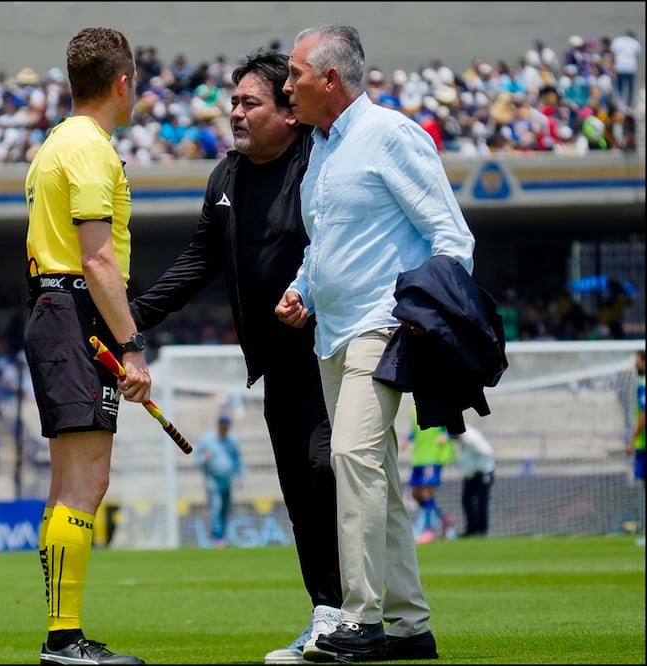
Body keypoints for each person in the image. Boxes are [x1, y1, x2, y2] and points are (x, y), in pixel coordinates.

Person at [127, 47, 342, 664]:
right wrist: (134, 314)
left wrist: (311, 291)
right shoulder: (226, 177)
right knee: (302, 494)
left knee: (331, 472)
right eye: (234, 103)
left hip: (334, 355)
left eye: (250, 103)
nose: (236, 114)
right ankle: (328, 614)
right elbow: (201, 259)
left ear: (289, 113)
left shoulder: (323, 165)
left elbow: (342, 246)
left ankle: (371, 612)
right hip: (278, 366)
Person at [277, 24, 476, 662]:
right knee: (376, 474)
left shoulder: (390, 134)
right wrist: (301, 288)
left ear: (330, 79)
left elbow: (452, 238)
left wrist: (417, 318)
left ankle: (358, 620)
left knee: (352, 461)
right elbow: (323, 245)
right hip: (331, 333)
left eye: (295, 74)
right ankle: (411, 627)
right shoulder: (319, 150)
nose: (287, 87)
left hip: (381, 327)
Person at [23, 26, 150, 666]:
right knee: (86, 481)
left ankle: (61, 631)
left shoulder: (55, 142)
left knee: (66, 483)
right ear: (122, 82)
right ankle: (64, 639)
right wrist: (132, 346)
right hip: (76, 309)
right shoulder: (91, 148)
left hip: (53, 307)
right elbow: (97, 259)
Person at [404, 406, 455, 543]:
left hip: (433, 456)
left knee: (427, 491)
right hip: (418, 457)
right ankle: (443, 519)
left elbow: (456, 427)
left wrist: (447, 435)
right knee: (415, 493)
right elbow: (417, 431)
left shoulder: (439, 404)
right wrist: (407, 439)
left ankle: (428, 530)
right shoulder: (413, 410)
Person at [194, 415, 244, 548]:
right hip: (212, 481)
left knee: (225, 509)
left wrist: (239, 477)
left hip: (227, 481)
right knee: (216, 507)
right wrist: (204, 458)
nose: (225, 429)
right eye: (223, 426)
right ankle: (218, 537)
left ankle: (222, 535)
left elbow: (237, 460)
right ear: (219, 426)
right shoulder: (207, 439)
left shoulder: (232, 441)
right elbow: (196, 460)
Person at [450, 424, 495, 537]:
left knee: (481, 502)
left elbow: (487, 452)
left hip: (483, 474)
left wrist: (479, 468)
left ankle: (482, 530)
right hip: (471, 475)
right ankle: (471, 529)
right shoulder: (464, 439)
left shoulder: (471, 438)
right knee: (466, 500)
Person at [627, 349, 645, 546]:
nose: (635, 363)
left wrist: (632, 439)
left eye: (637, 360)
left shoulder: (643, 385)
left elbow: (644, 417)